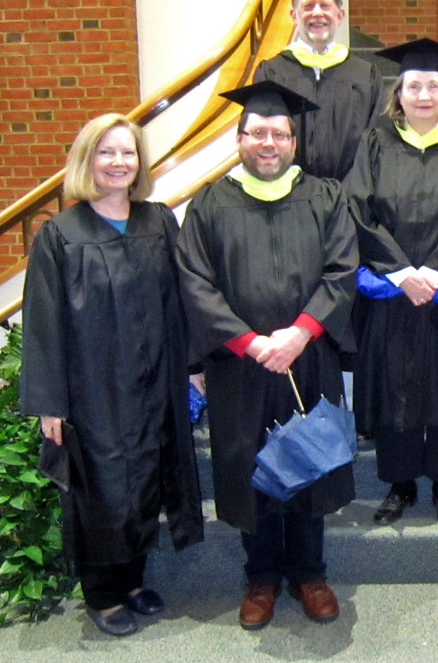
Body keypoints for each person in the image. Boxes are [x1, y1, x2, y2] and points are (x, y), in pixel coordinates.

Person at [175, 81, 359, 631]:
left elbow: (342, 269)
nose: (269, 143)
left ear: (294, 142)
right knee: (250, 464)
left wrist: (300, 334)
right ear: (239, 139)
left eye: (279, 133)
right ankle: (260, 577)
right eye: (258, 133)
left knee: (307, 458)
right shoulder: (210, 202)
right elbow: (195, 282)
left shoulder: (325, 196)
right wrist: (250, 342)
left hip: (306, 355)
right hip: (241, 364)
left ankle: (310, 573)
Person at [20, 114, 203, 638]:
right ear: (87, 161)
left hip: (156, 380)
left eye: (128, 153)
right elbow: (43, 320)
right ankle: (101, 593)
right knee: (102, 486)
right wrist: (50, 405)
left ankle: (133, 579)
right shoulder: (60, 234)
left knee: (147, 475)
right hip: (93, 389)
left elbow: (186, 299)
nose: (119, 162)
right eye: (106, 153)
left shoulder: (159, 221)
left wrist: (193, 368)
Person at [347, 39, 438, 527]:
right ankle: (399, 481)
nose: (424, 94)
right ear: (400, 92)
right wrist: (402, 272)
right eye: (414, 85)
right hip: (393, 289)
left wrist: (432, 273)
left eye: (433, 85)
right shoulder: (375, 143)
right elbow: (359, 210)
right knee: (396, 384)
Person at [253, 0, 381, 181]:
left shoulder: (366, 76)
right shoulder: (272, 73)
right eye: (308, 6)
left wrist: (352, 198)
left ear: (340, 15)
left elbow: (375, 144)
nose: (317, 13)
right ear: (294, 16)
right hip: (287, 200)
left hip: (349, 202)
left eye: (325, 5)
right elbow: (261, 140)